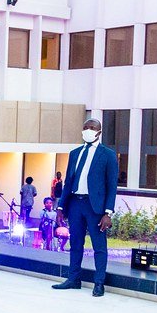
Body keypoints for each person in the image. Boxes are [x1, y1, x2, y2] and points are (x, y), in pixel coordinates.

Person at [53, 118, 118, 297]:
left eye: (92, 128)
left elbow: (112, 186)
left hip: (95, 207)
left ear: (99, 132)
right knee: (75, 243)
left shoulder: (108, 155)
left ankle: (99, 283)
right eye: (85, 127)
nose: (88, 130)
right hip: (75, 204)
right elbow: (68, 182)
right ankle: (73, 279)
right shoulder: (75, 153)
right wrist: (61, 208)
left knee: (99, 246)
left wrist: (108, 212)